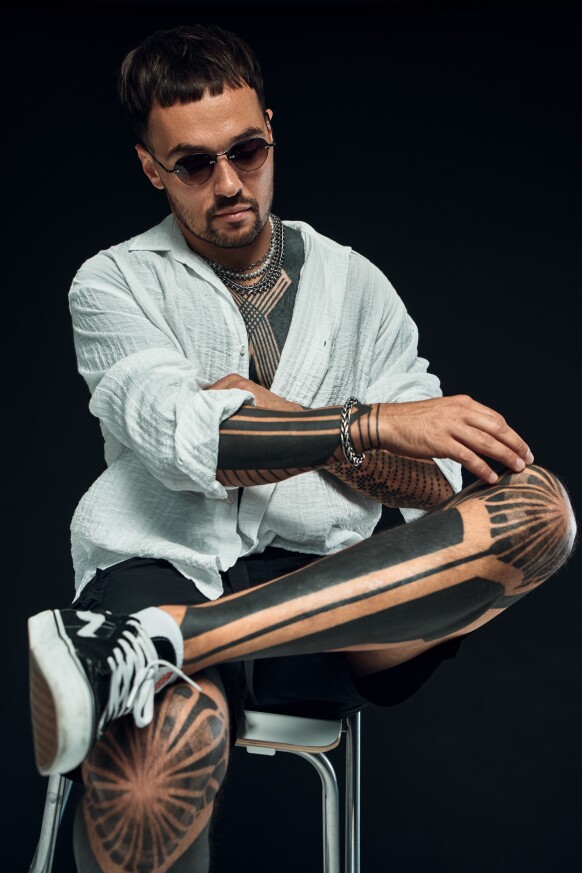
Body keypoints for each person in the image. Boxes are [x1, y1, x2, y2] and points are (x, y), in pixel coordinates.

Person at [27, 23, 576, 873]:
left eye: (246, 151)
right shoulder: (113, 282)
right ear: (151, 168)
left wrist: (281, 416)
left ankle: (175, 638)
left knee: (539, 514)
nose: (229, 182)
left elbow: (436, 485)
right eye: (194, 164)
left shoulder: (357, 287)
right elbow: (186, 441)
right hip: (158, 566)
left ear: (271, 132)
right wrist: (366, 424)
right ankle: (164, 642)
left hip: (331, 598)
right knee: (160, 755)